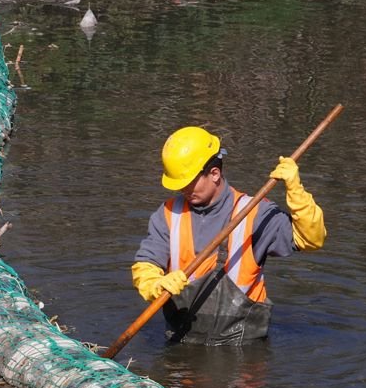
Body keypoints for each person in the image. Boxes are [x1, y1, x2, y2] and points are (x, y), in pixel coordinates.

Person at [131, 126, 326, 345]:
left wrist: (295, 191)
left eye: (189, 182)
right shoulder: (168, 214)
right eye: (179, 184)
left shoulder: (255, 212)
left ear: (214, 173)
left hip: (242, 351)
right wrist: (155, 284)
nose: (183, 189)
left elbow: (311, 239)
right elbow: (145, 264)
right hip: (181, 343)